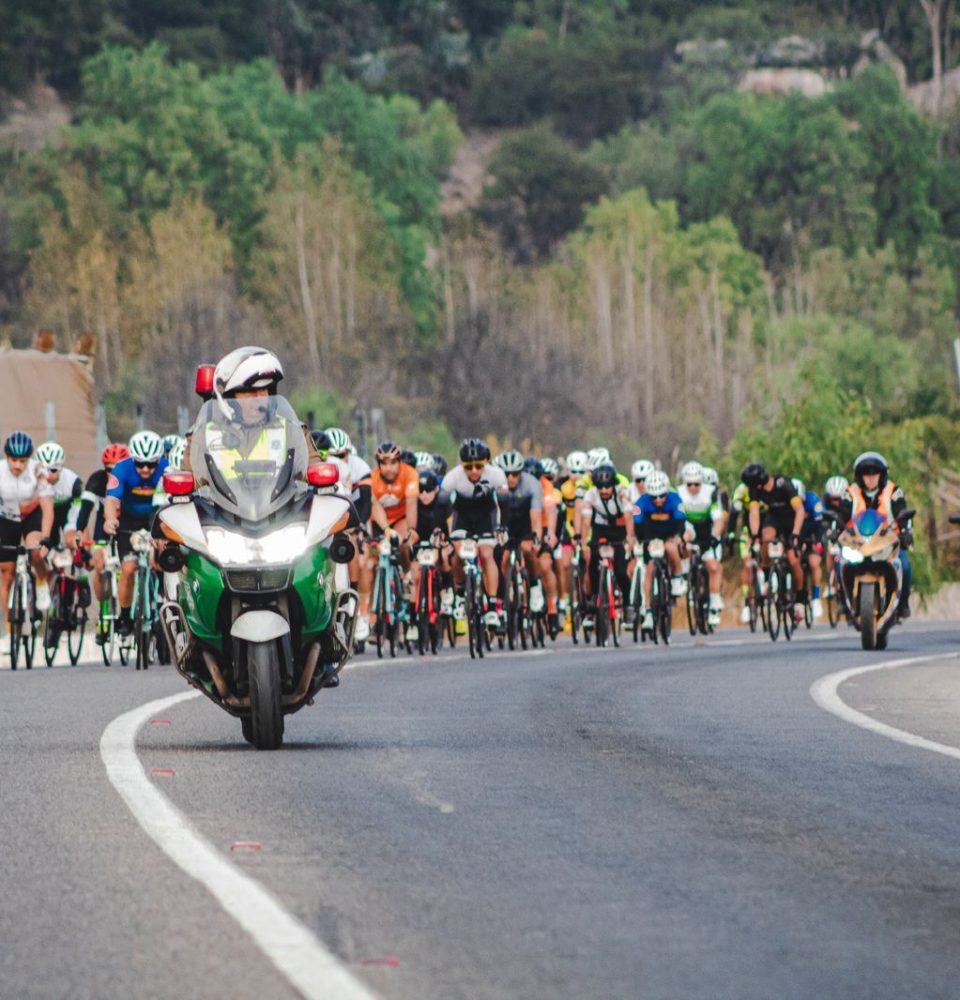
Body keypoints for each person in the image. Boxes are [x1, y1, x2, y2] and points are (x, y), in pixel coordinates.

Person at [103, 431, 168, 635]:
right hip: (129, 520)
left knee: (162, 561)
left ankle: (161, 599)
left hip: (157, 517)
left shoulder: (167, 468)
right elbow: (112, 500)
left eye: (151, 464)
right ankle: (124, 616)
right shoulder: (122, 468)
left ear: (159, 460)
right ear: (133, 460)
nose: (146, 469)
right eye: (140, 464)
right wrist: (110, 519)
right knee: (129, 569)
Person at [838, 452, 913, 619]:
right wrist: (834, 529)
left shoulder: (893, 491)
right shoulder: (850, 492)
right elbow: (841, 515)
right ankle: (844, 601)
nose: (871, 478)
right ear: (860, 476)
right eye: (866, 474)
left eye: (875, 474)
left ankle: (903, 603)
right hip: (857, 542)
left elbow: (903, 512)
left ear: (882, 475)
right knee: (841, 563)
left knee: (905, 566)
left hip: (887, 541)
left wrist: (907, 532)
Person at [442, 438, 507, 628]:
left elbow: (504, 504)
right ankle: (461, 595)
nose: (474, 471)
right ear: (462, 465)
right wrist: (444, 534)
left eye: (478, 466)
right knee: (458, 555)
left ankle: (493, 607)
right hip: (463, 517)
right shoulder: (452, 477)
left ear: (485, 463)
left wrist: (502, 527)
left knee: (487, 555)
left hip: (486, 518)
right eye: (468, 467)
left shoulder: (496, 476)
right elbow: (442, 507)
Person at [65, 443, 129, 635]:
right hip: (104, 527)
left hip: (126, 525)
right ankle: (103, 612)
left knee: (128, 567)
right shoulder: (97, 480)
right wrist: (79, 531)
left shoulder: (131, 479)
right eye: (110, 469)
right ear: (104, 468)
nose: (113, 473)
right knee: (99, 564)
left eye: (118, 468)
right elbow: (85, 509)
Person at [0, 432, 55, 622]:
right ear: (6, 457)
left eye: (22, 461)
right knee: (7, 571)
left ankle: (41, 583)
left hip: (31, 515)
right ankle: (8, 630)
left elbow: (47, 508)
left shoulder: (38, 471)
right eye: (13, 460)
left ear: (29, 459)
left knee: (36, 551)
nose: (17, 465)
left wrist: (46, 537)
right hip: (6, 517)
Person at [741, 463, 805, 621]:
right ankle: (769, 571)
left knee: (793, 560)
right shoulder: (755, 489)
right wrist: (755, 534)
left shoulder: (783, 484)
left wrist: (796, 533)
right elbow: (754, 512)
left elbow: (799, 510)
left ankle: (800, 599)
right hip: (774, 517)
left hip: (791, 519)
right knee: (766, 537)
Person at [580, 462, 635, 619]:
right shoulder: (590, 495)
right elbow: (585, 520)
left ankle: (627, 603)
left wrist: (630, 538)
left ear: (613, 485)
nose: (604, 491)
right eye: (600, 487)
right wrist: (584, 542)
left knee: (621, 570)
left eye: (607, 487)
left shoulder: (622, 493)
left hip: (619, 530)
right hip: (600, 529)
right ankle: (595, 596)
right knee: (592, 561)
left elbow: (629, 517)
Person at [633, 470, 686, 632]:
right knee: (649, 570)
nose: (658, 500)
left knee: (671, 548)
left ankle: (677, 577)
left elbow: (680, 521)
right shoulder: (640, 503)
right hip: (650, 535)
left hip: (670, 532)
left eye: (662, 496)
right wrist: (641, 541)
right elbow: (638, 526)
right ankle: (648, 610)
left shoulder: (675, 499)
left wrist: (677, 536)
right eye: (654, 497)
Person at [494, 450, 545, 616]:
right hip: (505, 522)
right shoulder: (494, 484)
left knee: (528, 549)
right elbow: (492, 512)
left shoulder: (532, 484)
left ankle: (535, 584)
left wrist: (536, 537)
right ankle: (505, 592)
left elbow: (536, 515)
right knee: (503, 557)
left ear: (521, 473)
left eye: (515, 474)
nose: (510, 479)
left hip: (525, 521)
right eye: (506, 474)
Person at [677, 461, 725, 628]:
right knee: (683, 539)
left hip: (708, 530)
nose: (693, 488)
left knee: (713, 566)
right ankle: (684, 576)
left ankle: (714, 604)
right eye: (689, 484)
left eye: (696, 484)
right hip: (690, 528)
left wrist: (715, 536)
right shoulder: (680, 493)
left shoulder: (710, 492)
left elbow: (718, 520)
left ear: (702, 482)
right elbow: (678, 519)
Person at [35, 441, 83, 547]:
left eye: (53, 470)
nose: (48, 475)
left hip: (67, 512)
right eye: (44, 469)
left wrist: (77, 533)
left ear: (61, 468)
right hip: (43, 515)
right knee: (40, 547)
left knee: (74, 542)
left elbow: (79, 511)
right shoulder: (33, 480)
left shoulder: (73, 482)